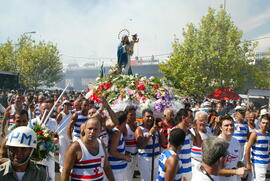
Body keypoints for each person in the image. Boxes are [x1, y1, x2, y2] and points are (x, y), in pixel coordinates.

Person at [135, 109, 166, 181]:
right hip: (145, 160)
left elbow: (163, 143)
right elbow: (141, 146)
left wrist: (160, 132)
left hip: (157, 158)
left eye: (151, 117)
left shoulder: (156, 128)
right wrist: (149, 134)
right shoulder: (139, 129)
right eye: (147, 116)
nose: (150, 118)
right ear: (142, 117)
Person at [214, 115, 248, 181]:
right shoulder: (216, 144)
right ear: (220, 127)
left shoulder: (236, 142)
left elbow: (237, 161)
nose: (230, 127)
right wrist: (236, 172)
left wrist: (243, 167)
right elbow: (215, 170)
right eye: (226, 125)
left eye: (231, 125)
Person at [174, 109, 202, 181]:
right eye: (190, 117)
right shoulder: (174, 131)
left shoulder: (189, 132)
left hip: (188, 169)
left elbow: (199, 144)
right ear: (183, 118)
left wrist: (196, 129)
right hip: (178, 170)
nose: (193, 119)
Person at [245, 117, 270, 181]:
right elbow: (247, 148)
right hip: (257, 163)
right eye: (263, 123)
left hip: (266, 163)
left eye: (267, 123)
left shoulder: (268, 134)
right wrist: (248, 163)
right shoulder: (255, 134)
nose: (265, 125)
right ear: (259, 124)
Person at [108, 111, 131, 180]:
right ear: (124, 121)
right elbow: (112, 151)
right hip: (116, 170)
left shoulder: (118, 131)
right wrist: (125, 157)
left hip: (118, 168)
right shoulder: (116, 133)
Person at [56, 100, 72, 173]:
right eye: (65, 104)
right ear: (63, 105)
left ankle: (68, 165)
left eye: (68, 104)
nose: (67, 105)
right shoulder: (61, 114)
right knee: (62, 151)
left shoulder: (71, 114)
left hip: (68, 135)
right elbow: (56, 124)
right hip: (61, 135)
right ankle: (62, 167)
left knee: (69, 151)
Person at [123, 105, 138, 181]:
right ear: (126, 115)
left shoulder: (136, 126)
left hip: (135, 156)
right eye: (131, 115)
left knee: (130, 177)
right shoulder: (124, 127)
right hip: (127, 157)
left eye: (134, 114)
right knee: (126, 178)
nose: (133, 117)